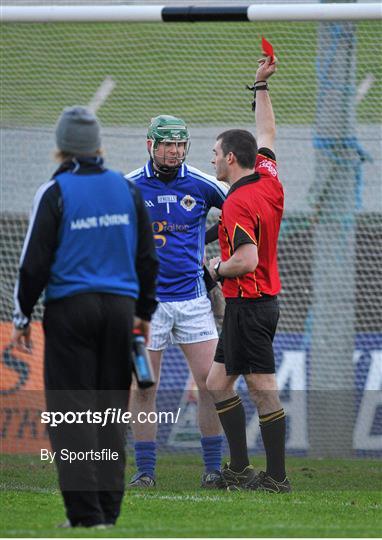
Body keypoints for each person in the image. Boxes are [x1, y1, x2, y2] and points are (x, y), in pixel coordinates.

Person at [12, 106, 158, 527]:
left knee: (70, 414)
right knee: (110, 412)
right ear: (98, 145)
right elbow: (147, 258)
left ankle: (84, 515)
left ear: (61, 147)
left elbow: (33, 263)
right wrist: (143, 312)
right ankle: (109, 513)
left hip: (70, 311)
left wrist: (22, 317)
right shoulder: (126, 189)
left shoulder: (55, 192)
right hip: (120, 311)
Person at [125, 115, 228, 488]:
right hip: (145, 308)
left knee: (212, 384)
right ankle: (146, 472)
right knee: (143, 386)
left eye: (180, 144)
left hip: (194, 303)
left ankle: (214, 470)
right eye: (167, 144)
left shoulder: (202, 183)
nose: (174, 152)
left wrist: (215, 258)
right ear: (150, 145)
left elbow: (243, 212)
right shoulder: (129, 186)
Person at [207, 55, 291, 493]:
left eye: (216, 154)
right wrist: (260, 86)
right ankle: (239, 468)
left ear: (232, 159)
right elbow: (268, 133)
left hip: (251, 303)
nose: (213, 160)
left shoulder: (238, 202)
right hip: (254, 305)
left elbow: (247, 259)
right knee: (218, 383)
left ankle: (276, 477)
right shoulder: (269, 177)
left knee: (261, 387)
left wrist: (216, 269)